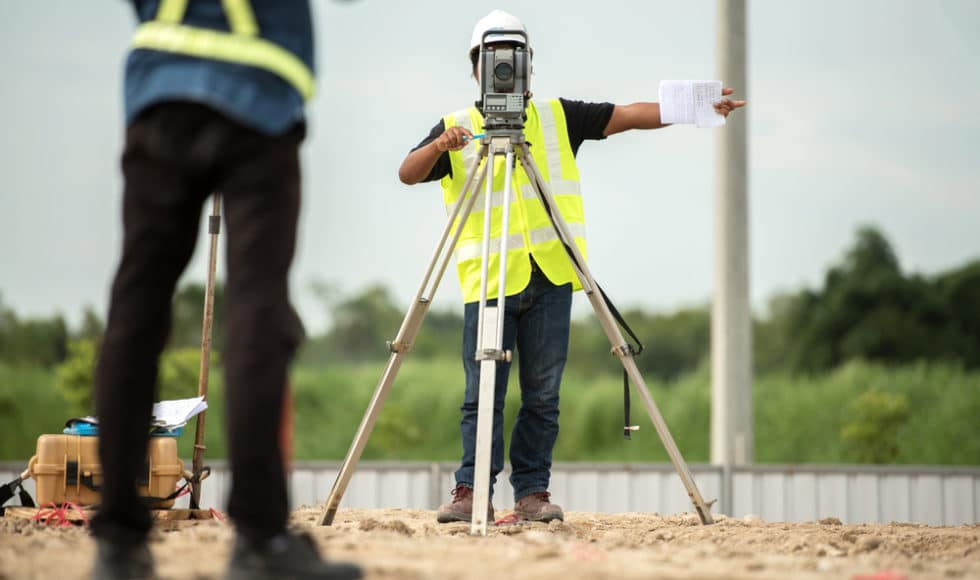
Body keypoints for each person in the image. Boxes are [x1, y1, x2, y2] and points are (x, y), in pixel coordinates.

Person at [398, 9, 746, 525]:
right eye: (493, 61)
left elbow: (628, 114)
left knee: (543, 394)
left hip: (554, 277)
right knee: (482, 394)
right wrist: (439, 147)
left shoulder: (558, 118)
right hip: (490, 282)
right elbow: (408, 173)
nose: (504, 71)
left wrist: (696, 107)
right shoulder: (457, 129)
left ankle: (531, 494)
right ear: (476, 67)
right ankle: (471, 491)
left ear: (528, 66)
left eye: (512, 61)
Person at [90, 1, 361, 579]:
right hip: (260, 99)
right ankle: (259, 541)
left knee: (136, 309)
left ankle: (116, 543)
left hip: (159, 85)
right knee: (259, 311)